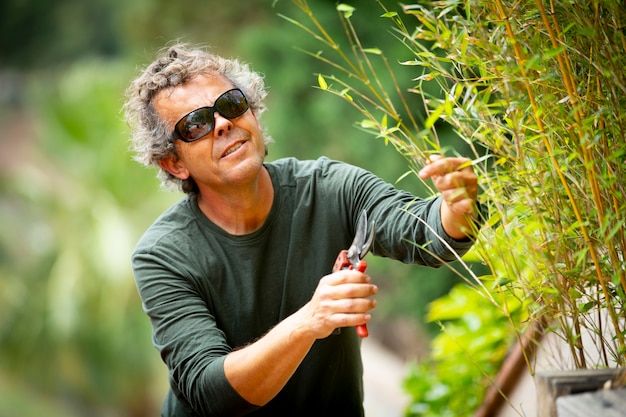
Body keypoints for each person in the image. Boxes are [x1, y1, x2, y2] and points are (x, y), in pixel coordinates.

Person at [124, 43, 481, 417]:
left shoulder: (330, 187)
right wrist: (311, 320)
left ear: (254, 115)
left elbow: (425, 233)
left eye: (230, 104)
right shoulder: (162, 255)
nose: (224, 124)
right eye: (196, 124)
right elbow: (212, 394)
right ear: (174, 163)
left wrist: (456, 208)